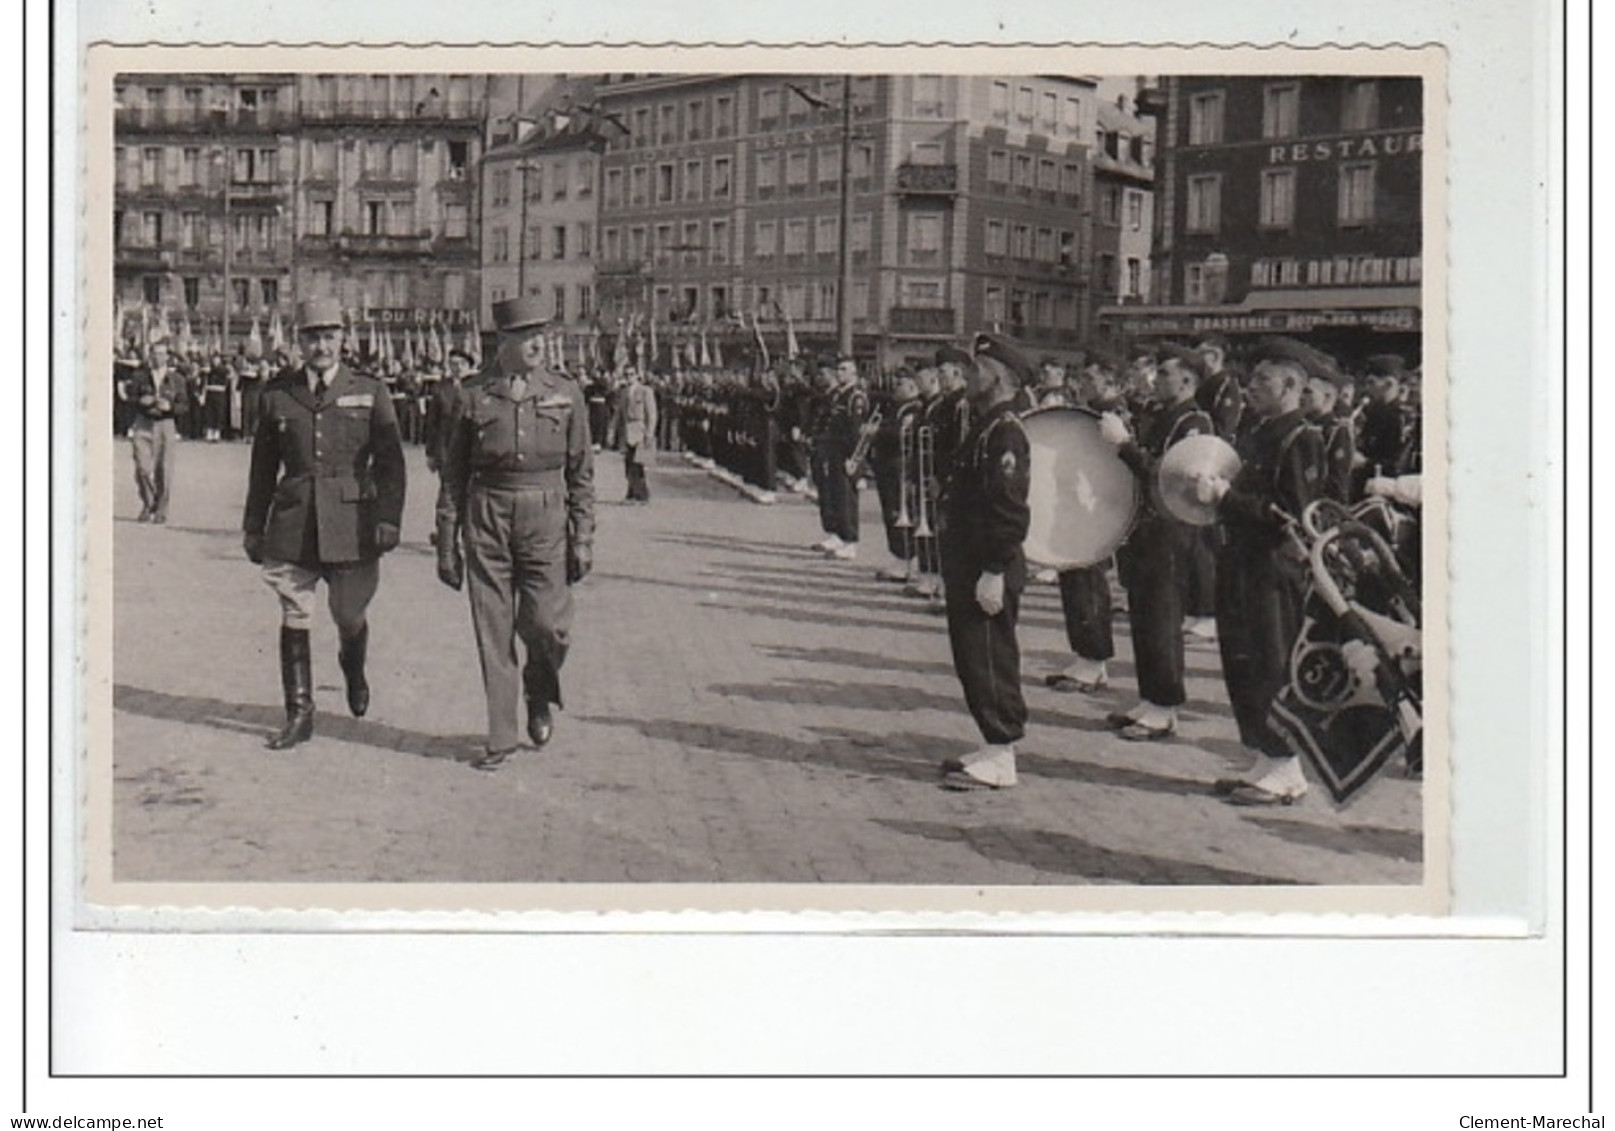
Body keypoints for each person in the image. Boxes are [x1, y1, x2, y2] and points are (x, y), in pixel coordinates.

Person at [435, 296, 596, 771]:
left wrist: (583, 535)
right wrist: (447, 541)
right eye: (526, 337)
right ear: (502, 342)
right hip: (486, 510)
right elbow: (452, 474)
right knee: (493, 626)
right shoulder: (471, 394)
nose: (537, 345)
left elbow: (582, 471)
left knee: (549, 625)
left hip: (546, 513)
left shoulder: (567, 393)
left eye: (542, 336)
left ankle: (539, 688)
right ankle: (501, 734)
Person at [241, 298, 407, 749]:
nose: (321, 346)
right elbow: (262, 467)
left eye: (329, 336)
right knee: (295, 612)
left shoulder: (370, 390)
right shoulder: (278, 394)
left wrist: (389, 519)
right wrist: (253, 525)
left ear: (343, 339)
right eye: (313, 337)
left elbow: (391, 464)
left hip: (353, 524)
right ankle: (300, 714)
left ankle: (353, 670)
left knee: (349, 615)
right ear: (300, 341)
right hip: (294, 522)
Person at [1193, 337, 1325, 805]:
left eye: (1263, 379)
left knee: (1270, 664)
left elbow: (1294, 516)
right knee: (1242, 663)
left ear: (1291, 385)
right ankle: (1263, 758)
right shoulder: (1261, 431)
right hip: (1241, 563)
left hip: (1271, 570)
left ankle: (1287, 767)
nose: (1251, 386)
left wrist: (1226, 498)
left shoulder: (1300, 437)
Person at [1099, 343, 1215, 740]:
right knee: (1144, 616)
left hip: (1171, 530)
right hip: (1147, 529)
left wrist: (1124, 446)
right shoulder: (1162, 414)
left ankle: (1165, 705)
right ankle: (1150, 698)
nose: (1155, 379)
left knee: (1163, 617)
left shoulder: (1194, 422)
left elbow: (1169, 478)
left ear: (1187, 380)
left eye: (1164, 373)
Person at [936, 333, 1034, 790]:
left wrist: (995, 569)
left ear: (996, 379)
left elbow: (1010, 509)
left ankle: (1002, 753)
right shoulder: (987, 425)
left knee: (990, 656)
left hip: (986, 565)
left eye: (975, 370)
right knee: (974, 656)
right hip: (970, 561)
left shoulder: (1005, 431)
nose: (968, 377)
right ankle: (992, 744)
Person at [1044, 348, 1128, 693]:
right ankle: (1083, 656)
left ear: (1110, 381)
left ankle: (1095, 660)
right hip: (1075, 505)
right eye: (1083, 377)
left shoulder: (1117, 415)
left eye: (1091, 378)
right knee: (1074, 583)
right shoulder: (1091, 411)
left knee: (1089, 585)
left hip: (1095, 509)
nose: (1084, 383)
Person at [127, 338, 188, 524]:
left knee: (164, 468)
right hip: (143, 423)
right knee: (142, 467)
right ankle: (148, 502)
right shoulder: (139, 376)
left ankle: (161, 508)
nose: (157, 357)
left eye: (161, 353)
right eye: (154, 353)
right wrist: (140, 401)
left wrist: (170, 407)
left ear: (168, 357)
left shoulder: (177, 379)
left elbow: (184, 405)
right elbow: (129, 399)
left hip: (165, 424)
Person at [870, 370, 922, 581]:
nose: (895, 387)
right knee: (890, 512)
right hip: (888, 465)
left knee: (898, 512)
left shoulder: (914, 408)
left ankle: (905, 558)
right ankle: (899, 555)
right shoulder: (896, 408)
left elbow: (902, 433)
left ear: (911, 387)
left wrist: (878, 431)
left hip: (899, 465)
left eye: (900, 384)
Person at [815, 356, 867, 560]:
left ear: (854, 373)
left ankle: (851, 540)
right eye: (838, 369)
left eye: (845, 369)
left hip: (847, 455)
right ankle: (838, 534)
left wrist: (854, 459)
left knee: (847, 498)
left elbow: (856, 432)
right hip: (834, 452)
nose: (840, 373)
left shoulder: (856, 397)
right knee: (835, 495)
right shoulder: (839, 395)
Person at [422, 348, 478, 476]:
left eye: (462, 364)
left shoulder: (477, 388)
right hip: (446, 448)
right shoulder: (441, 389)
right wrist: (430, 453)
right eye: (454, 364)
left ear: (469, 366)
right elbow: (432, 422)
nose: (458, 368)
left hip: (471, 451)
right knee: (448, 489)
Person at [619, 366, 658, 503]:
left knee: (637, 463)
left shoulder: (645, 391)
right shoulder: (623, 392)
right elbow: (620, 413)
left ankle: (640, 495)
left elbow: (652, 414)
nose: (629, 377)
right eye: (626, 374)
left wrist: (649, 433)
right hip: (627, 428)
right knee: (628, 462)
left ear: (637, 375)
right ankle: (632, 492)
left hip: (640, 427)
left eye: (631, 374)